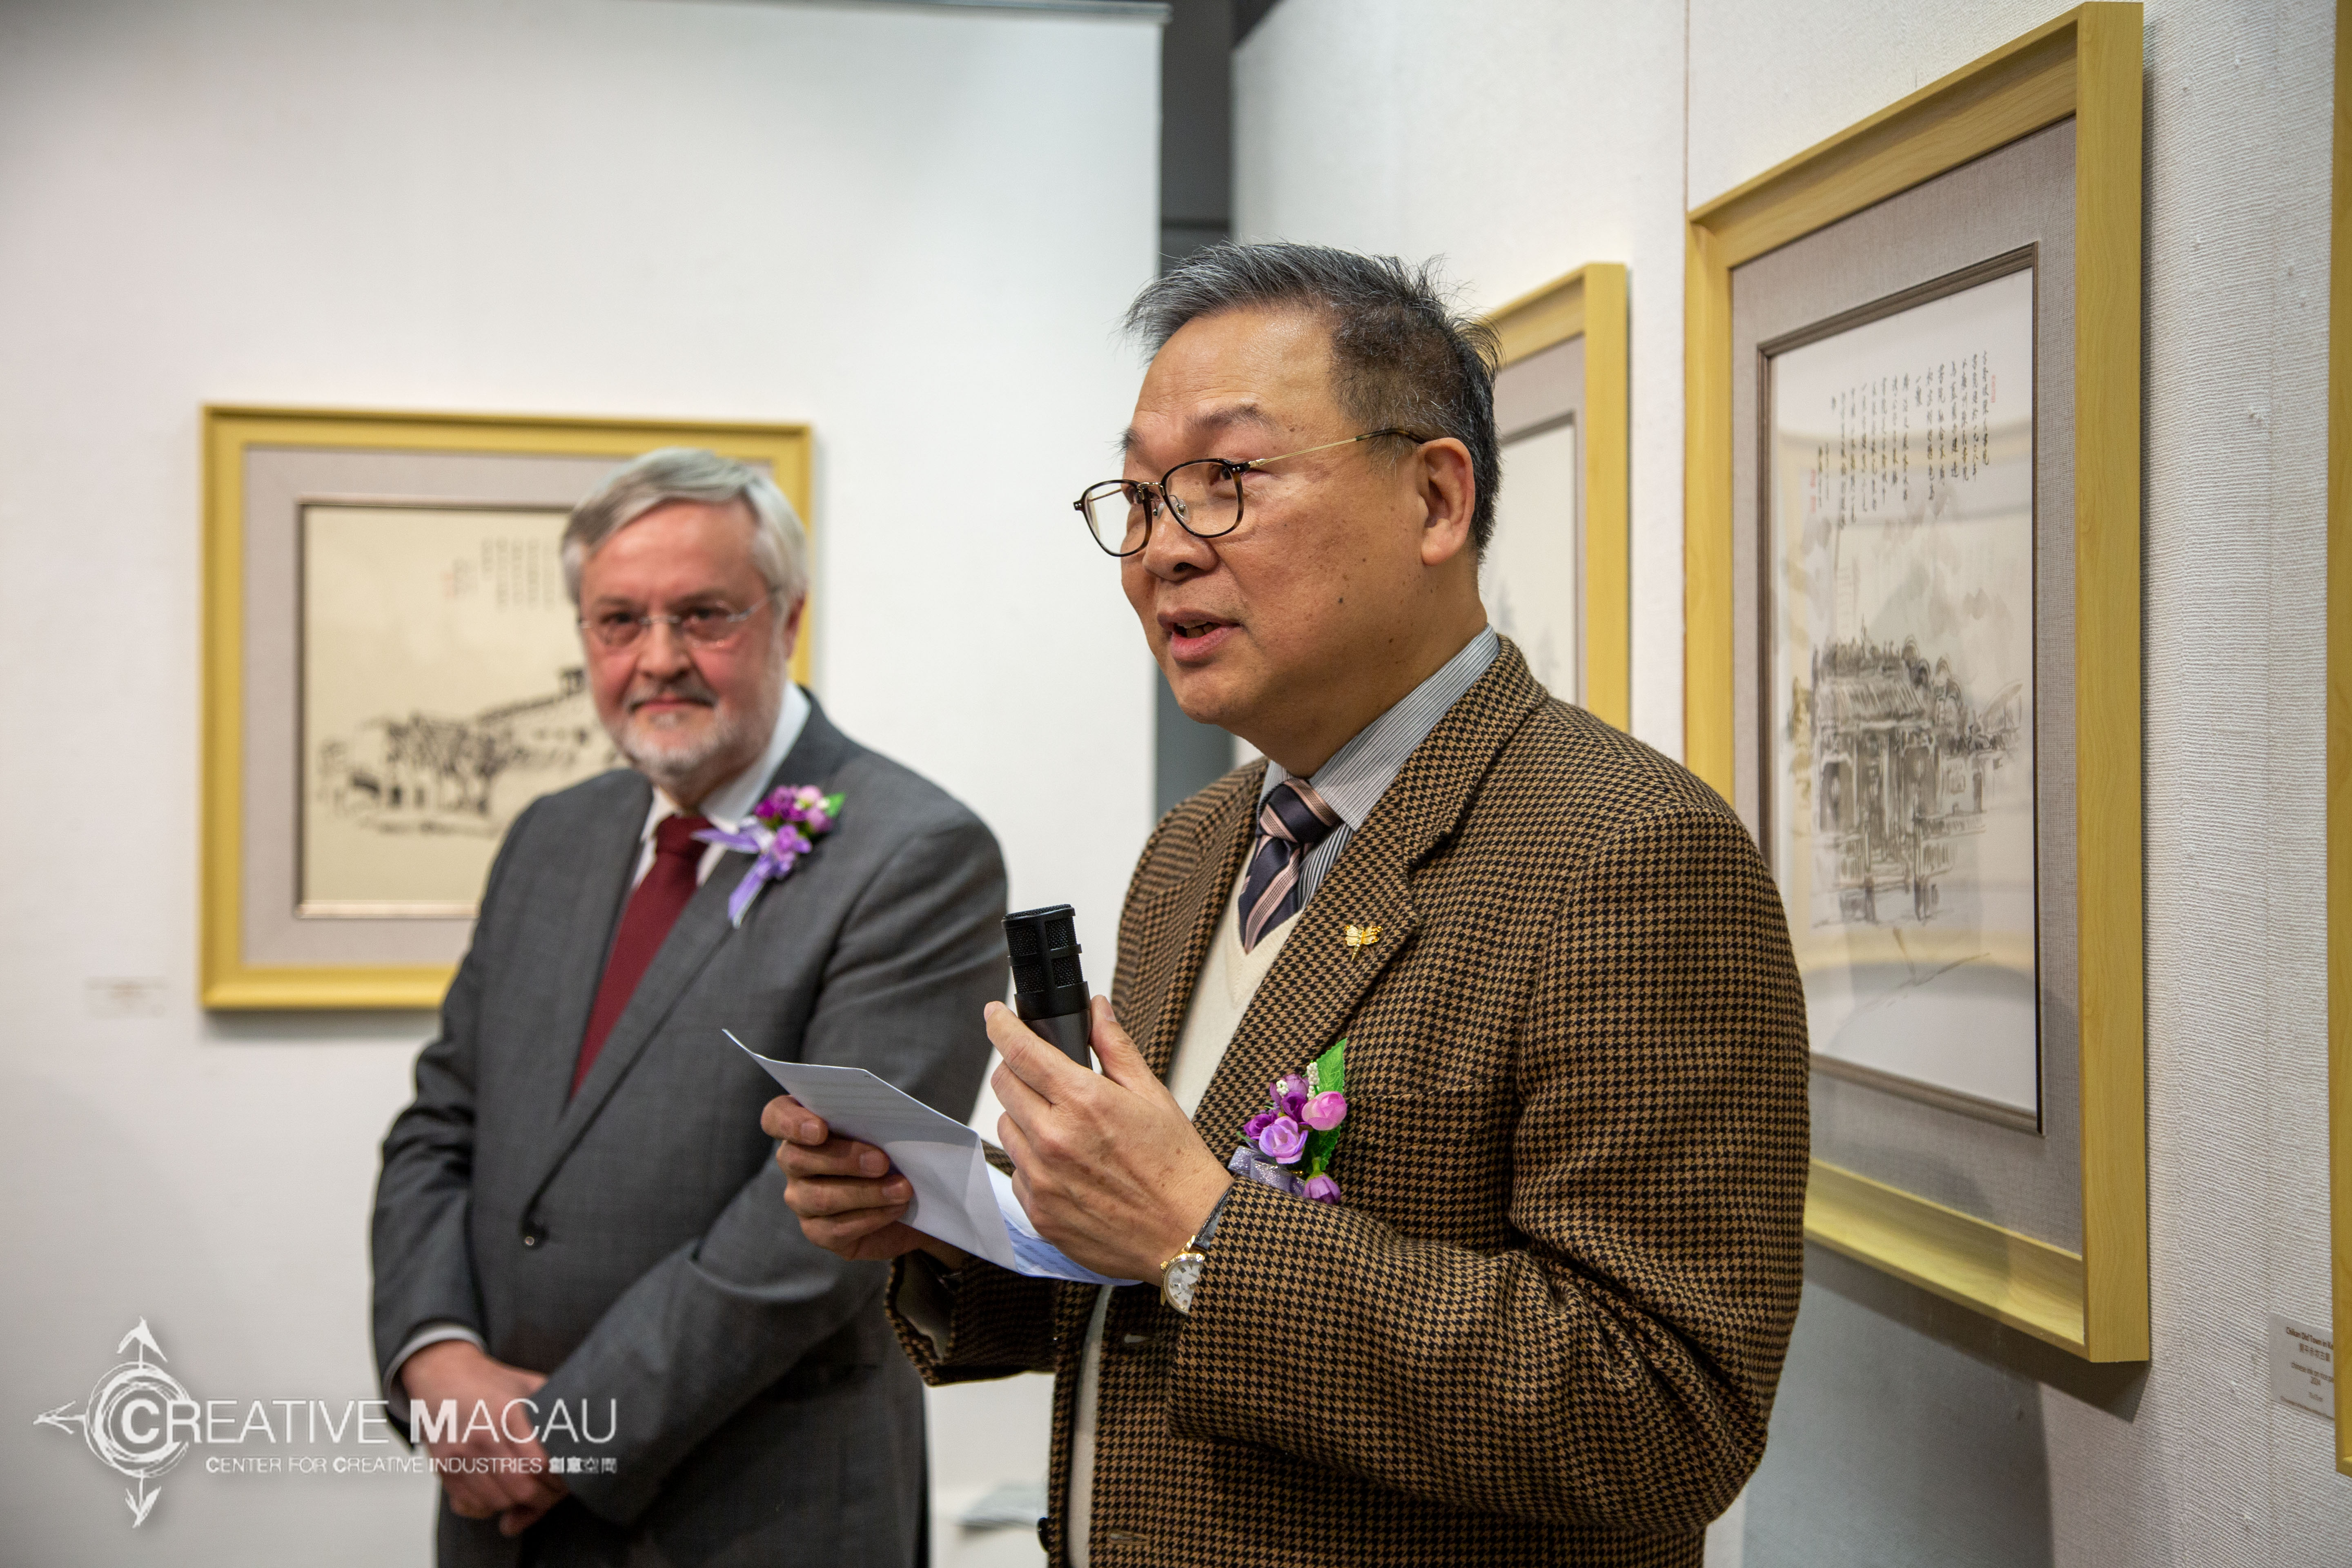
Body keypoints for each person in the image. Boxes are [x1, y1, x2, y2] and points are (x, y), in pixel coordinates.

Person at [767, 245, 1811, 1567]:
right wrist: (946, 1225)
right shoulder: (1198, 846)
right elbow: (1142, 1285)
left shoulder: (1628, 852)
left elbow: (1661, 1410)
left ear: (1435, 498)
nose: (1161, 551)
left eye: (1226, 481)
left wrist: (1199, 1232)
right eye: (1139, 497)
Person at [371, 448, 1007, 1567]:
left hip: (755, 1509)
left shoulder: (916, 854)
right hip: (496, 1494)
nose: (659, 658)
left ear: (788, 618)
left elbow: (827, 1220)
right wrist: (436, 1354)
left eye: (704, 615)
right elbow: (442, 1122)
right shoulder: (550, 838)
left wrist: (567, 1433)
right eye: (619, 621)